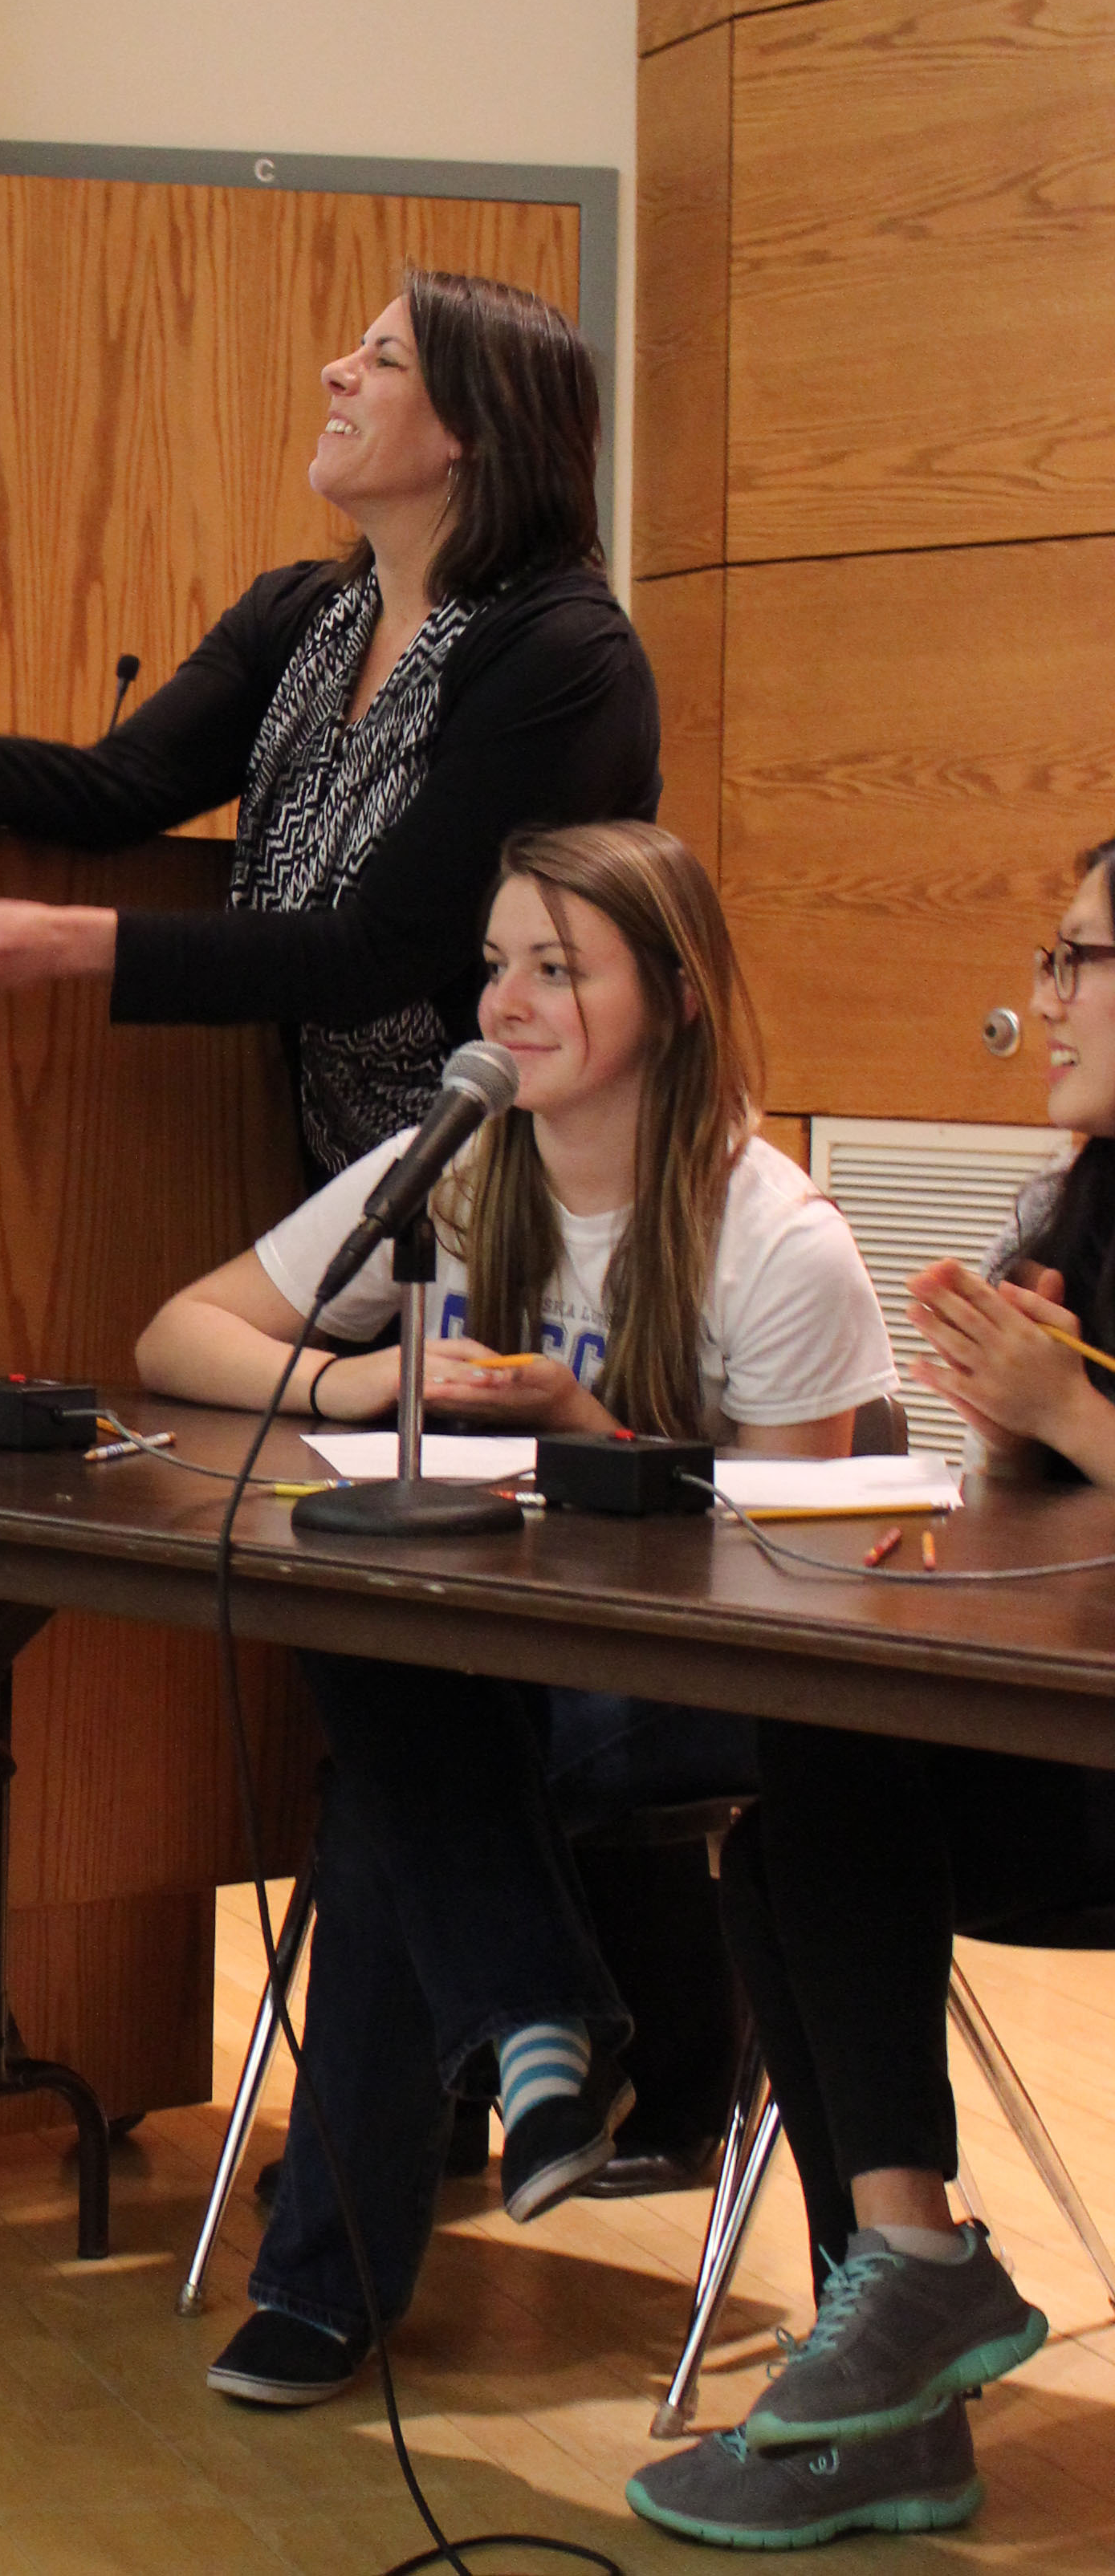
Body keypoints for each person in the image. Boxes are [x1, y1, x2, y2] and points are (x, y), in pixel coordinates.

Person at [132, 822, 897, 2407]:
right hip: (505, 1675)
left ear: (675, 1000)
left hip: (707, 1685)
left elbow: (797, 1569)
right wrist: (374, 1374)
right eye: (497, 965)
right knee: (377, 1644)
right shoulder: (461, 1162)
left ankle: (334, 2285)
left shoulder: (777, 1238)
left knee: (392, 1797)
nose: (512, 1003)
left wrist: (592, 1441)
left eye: (561, 968)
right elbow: (183, 1334)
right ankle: (540, 2025)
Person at [627, 839, 1115, 2549]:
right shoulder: (1087, 1201)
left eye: (1079, 958)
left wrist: (1079, 1420)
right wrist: (1004, 1428)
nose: (1045, 997)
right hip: (1074, 1760)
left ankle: (902, 2300)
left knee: (821, 1772)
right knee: (798, 1792)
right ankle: (900, 2346)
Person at [0, 270, 660, 1181]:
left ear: (473, 428)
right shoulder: (298, 615)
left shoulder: (563, 655)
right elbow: (123, 787)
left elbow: (382, 951)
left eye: (382, 359)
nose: (334, 372)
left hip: (537, 1177)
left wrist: (79, 943)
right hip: (346, 1165)